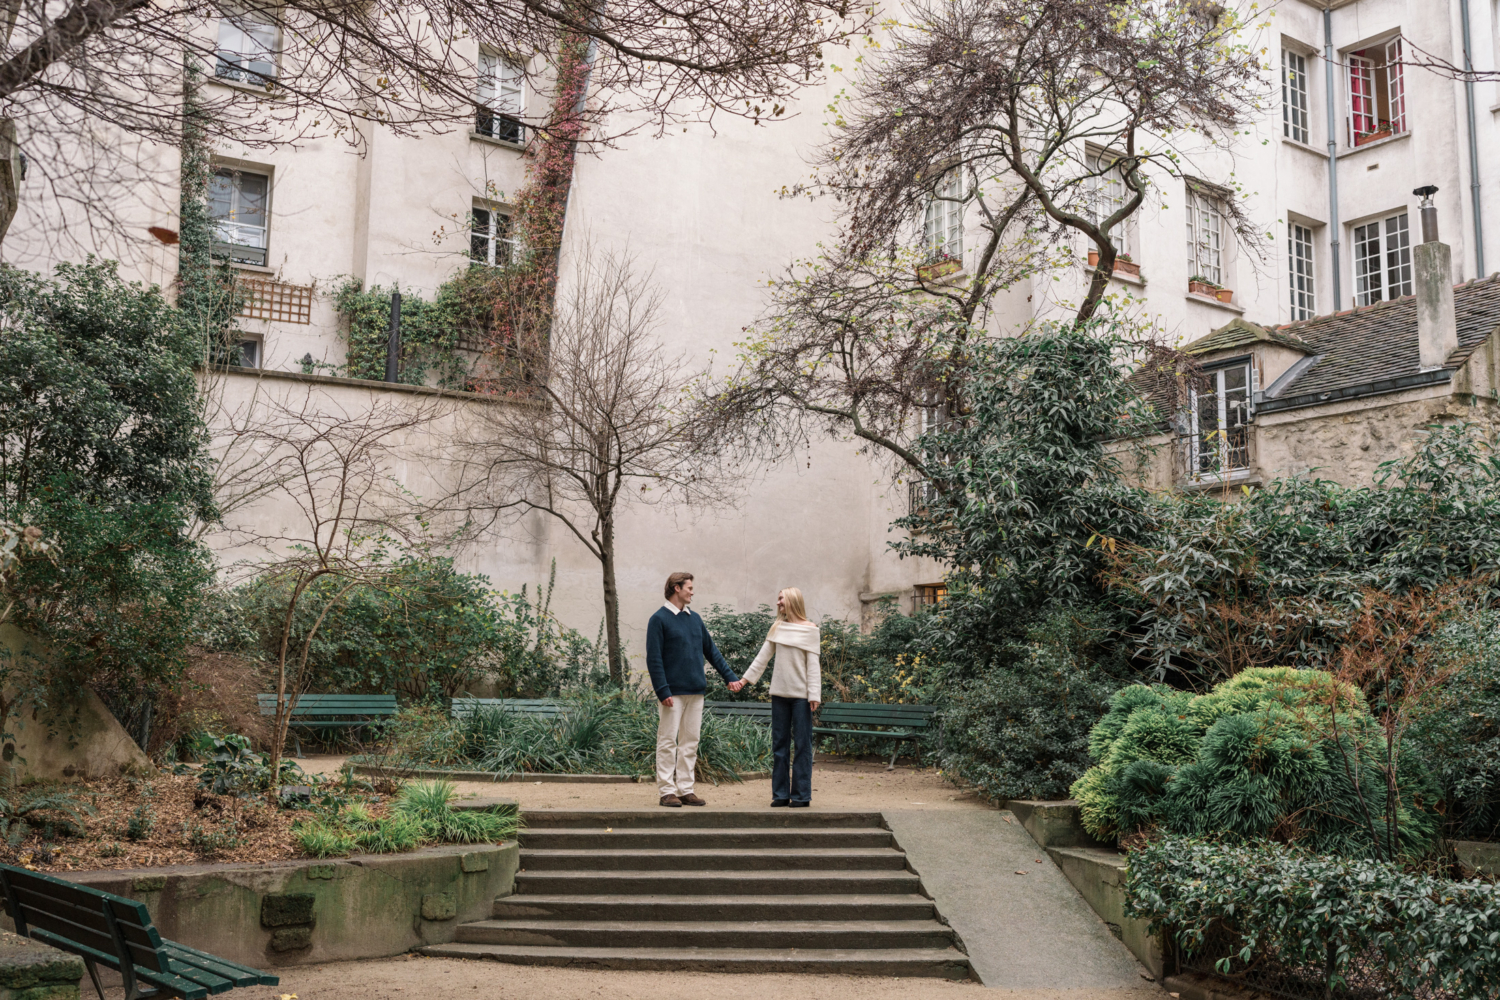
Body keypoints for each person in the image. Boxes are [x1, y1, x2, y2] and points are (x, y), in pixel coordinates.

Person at [645, 571, 745, 807]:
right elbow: (654, 659)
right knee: (668, 741)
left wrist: (730, 677)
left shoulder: (695, 619)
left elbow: (711, 651)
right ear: (676, 588)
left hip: (696, 692)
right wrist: (662, 690)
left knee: (690, 741)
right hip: (672, 693)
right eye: (689, 587)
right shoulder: (658, 619)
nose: (692, 591)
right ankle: (667, 791)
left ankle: (686, 789)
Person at [738, 588, 820, 807]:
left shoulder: (811, 630)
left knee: (802, 746)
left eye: (781, 598)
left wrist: (814, 695)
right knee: (779, 747)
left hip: (802, 697)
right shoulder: (777, 628)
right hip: (779, 696)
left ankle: (801, 796)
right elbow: (762, 658)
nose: (778, 603)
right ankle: (781, 794)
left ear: (792, 600)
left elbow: (813, 666)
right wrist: (744, 681)